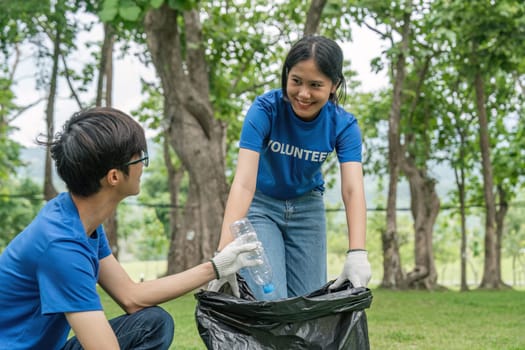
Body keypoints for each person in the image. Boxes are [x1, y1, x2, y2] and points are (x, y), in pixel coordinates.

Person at [0, 107, 261, 350]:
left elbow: (131, 296)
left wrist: (216, 267)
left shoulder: (78, 219)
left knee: (152, 323)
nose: (142, 168)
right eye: (140, 159)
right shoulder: (61, 247)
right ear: (114, 176)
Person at [208, 35, 372, 300]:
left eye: (315, 85)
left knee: (307, 306)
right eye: (296, 81)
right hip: (261, 206)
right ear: (286, 75)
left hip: (307, 209)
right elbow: (243, 183)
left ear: (334, 85)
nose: (303, 94)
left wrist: (357, 253)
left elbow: (353, 190)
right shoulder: (265, 110)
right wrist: (224, 252)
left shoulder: (343, 125)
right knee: (269, 299)